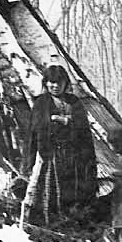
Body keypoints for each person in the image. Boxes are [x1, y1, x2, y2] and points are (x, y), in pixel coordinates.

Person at [19, 65, 98, 223]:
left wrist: (65, 120)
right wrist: (28, 162)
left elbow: (83, 129)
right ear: (46, 83)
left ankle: (73, 221)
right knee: (51, 189)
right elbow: (34, 133)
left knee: (73, 189)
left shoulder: (74, 102)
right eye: (51, 82)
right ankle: (52, 222)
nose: (55, 86)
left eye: (58, 82)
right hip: (51, 155)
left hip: (74, 155)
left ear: (65, 83)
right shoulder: (41, 103)